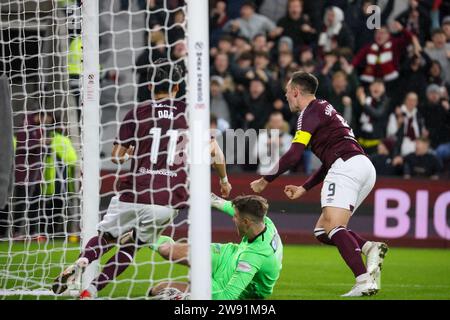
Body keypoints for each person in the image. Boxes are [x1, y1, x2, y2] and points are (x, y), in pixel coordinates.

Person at [250, 71, 387, 297]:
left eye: (287, 93)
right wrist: (304, 187)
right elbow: (327, 162)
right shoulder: (325, 108)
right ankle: (368, 247)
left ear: (296, 92)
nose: (286, 97)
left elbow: (294, 155)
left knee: (333, 227)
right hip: (362, 166)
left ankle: (364, 281)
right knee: (323, 230)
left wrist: (266, 179)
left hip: (346, 167)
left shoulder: (308, 113)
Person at [148, 194, 283, 300]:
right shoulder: (263, 221)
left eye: (235, 216)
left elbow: (227, 297)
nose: (233, 218)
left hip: (241, 288)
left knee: (158, 289)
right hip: (230, 255)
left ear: (246, 222)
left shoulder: (253, 256)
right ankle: (141, 236)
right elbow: (224, 204)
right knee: (167, 250)